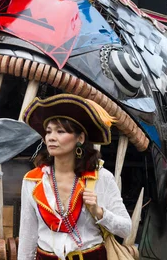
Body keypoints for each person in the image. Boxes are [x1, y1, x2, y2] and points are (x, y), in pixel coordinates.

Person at [17, 94, 132, 260]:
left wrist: (98, 212)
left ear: (80, 138)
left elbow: (126, 228)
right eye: (48, 132)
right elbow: (27, 237)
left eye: (60, 131)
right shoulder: (32, 181)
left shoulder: (101, 177)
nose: (51, 137)